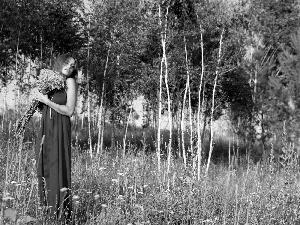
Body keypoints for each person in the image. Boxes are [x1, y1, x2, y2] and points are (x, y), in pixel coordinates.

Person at [34, 53, 77, 223]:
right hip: (46, 127)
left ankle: (61, 215)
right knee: (44, 166)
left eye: (73, 65)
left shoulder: (70, 82)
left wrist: (47, 100)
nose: (70, 67)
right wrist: (38, 100)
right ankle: (47, 211)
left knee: (58, 165)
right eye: (67, 63)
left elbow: (68, 110)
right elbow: (42, 108)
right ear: (60, 63)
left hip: (60, 128)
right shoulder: (50, 82)